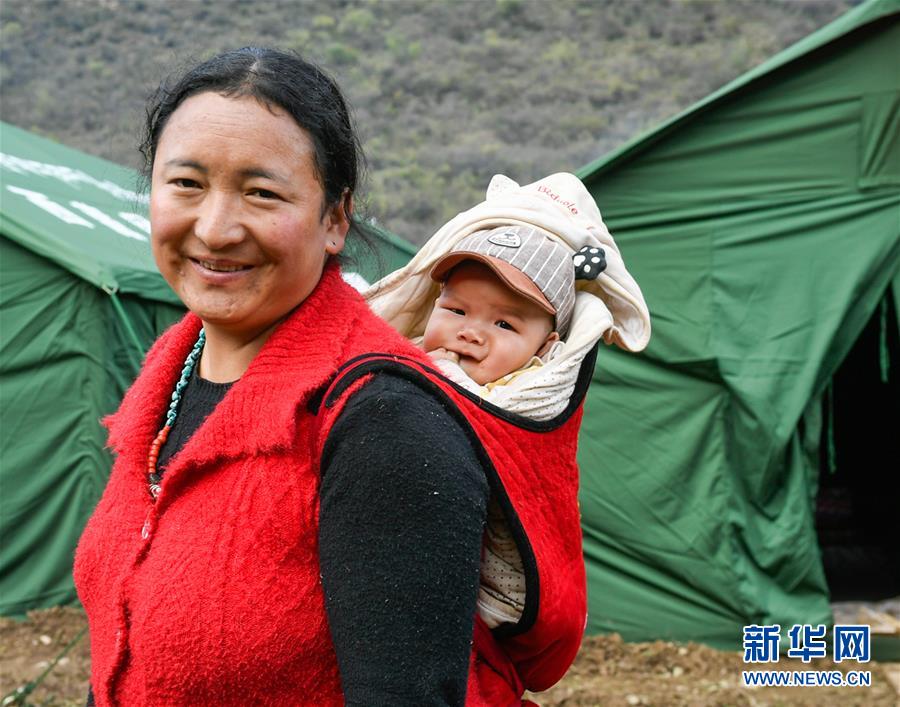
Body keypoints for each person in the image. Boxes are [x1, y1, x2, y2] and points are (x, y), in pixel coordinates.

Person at [74, 47, 491, 707]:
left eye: (262, 193)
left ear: (335, 219)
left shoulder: (383, 423)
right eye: (186, 183)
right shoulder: (168, 377)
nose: (215, 228)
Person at [364, 175, 652, 640]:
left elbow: (488, 423)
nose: (470, 332)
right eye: (456, 310)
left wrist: (442, 376)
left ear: (546, 347)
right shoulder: (407, 357)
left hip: (492, 597)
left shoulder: (530, 387)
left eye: (503, 324)